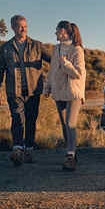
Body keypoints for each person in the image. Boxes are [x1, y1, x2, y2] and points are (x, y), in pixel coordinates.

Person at [0, 15, 50, 165]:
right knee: (17, 119)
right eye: (20, 26)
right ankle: (17, 150)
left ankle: (29, 150)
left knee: (31, 121)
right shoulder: (5, 48)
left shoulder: (37, 45)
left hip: (33, 91)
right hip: (14, 91)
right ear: (13, 27)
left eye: (25, 26)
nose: (23, 29)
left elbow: (54, 59)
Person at [44, 21, 86, 171]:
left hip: (73, 93)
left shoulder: (77, 50)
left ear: (63, 31)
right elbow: (52, 70)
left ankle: (70, 156)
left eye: (56, 30)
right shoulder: (56, 49)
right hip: (58, 92)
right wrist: (47, 86)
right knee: (64, 126)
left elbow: (78, 73)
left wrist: (66, 64)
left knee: (70, 124)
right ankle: (72, 153)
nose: (55, 33)